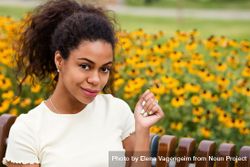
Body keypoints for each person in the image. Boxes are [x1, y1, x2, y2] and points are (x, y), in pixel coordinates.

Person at [3, 0, 164, 166]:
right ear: (60, 60)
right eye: (85, 66)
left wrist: (143, 129)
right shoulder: (29, 130)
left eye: (104, 69)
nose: (95, 80)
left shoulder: (116, 112)